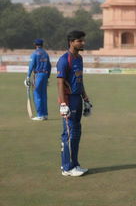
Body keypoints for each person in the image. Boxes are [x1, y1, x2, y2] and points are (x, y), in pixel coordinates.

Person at [57, 30, 92, 177]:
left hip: (78, 99)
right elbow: (59, 83)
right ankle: (67, 167)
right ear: (71, 42)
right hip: (69, 100)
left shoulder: (79, 59)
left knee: (76, 133)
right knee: (69, 133)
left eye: (83, 40)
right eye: (80, 41)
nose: (83, 43)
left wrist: (86, 99)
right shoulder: (65, 60)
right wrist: (63, 104)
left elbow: (80, 80)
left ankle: (75, 164)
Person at [24, 39, 51, 121]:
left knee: (37, 94)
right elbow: (49, 66)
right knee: (43, 95)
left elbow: (31, 66)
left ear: (35, 45)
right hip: (45, 75)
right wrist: (48, 77)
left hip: (38, 75)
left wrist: (28, 76)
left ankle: (40, 115)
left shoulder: (34, 54)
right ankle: (45, 114)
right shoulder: (46, 54)